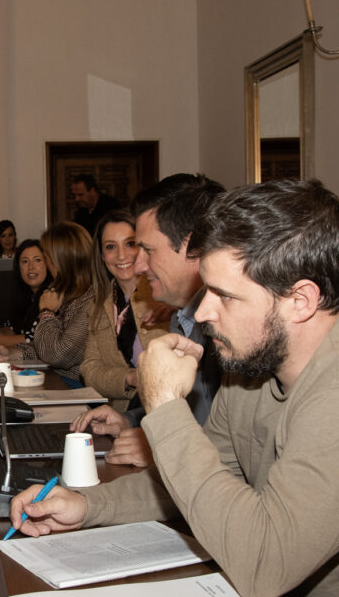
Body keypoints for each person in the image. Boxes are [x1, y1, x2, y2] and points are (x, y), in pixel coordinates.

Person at [11, 179, 339, 597]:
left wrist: (166, 406)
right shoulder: (254, 367)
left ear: (300, 300)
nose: (206, 311)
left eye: (225, 295)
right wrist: (90, 505)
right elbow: (205, 480)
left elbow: (262, 563)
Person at [72, 173, 226, 466]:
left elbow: (220, 450)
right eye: (111, 247)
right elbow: (89, 368)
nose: (138, 263)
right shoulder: (183, 317)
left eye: (146, 249)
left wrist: (156, 445)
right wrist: (131, 421)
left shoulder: (213, 323)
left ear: (193, 247)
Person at [79, 210, 169, 411]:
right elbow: (89, 370)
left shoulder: (166, 295)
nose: (121, 255)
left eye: (130, 244)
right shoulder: (98, 305)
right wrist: (129, 378)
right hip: (123, 414)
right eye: (111, 247)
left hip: (169, 409)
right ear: (102, 256)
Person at [0, 222, 93, 386]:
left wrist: (47, 312)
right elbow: (42, 346)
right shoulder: (67, 292)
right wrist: (11, 354)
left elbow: (58, 355)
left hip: (73, 385)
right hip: (57, 378)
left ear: (59, 260)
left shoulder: (90, 299)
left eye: (45, 257)